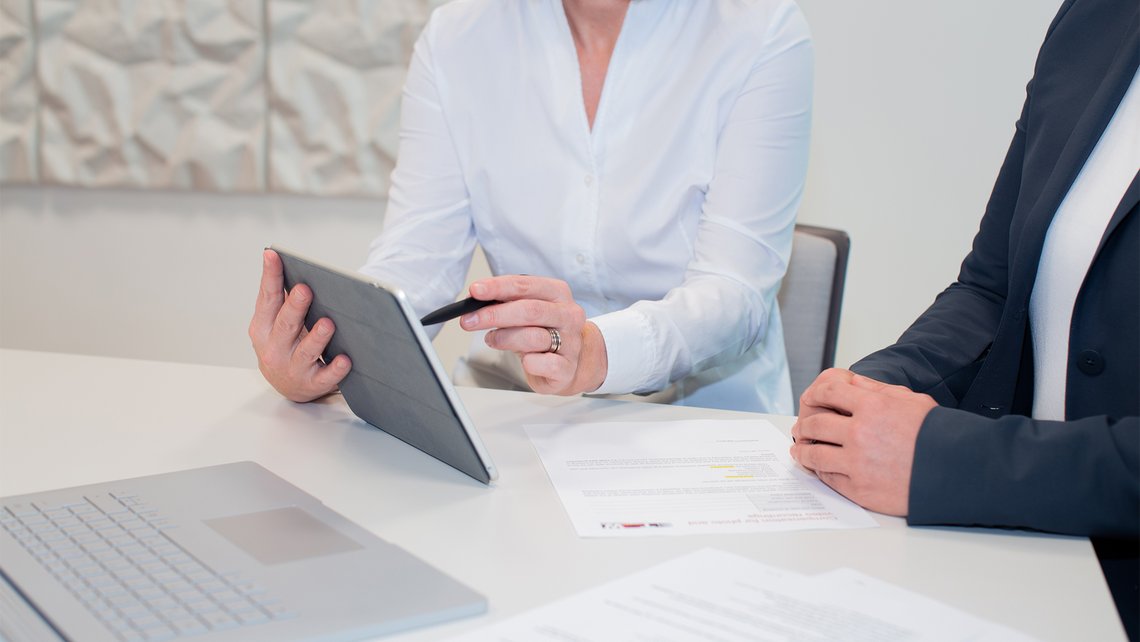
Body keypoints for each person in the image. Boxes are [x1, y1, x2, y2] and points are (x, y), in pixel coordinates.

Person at [250, 0, 814, 413]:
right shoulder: (458, 36)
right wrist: (325, 352)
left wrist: (598, 352)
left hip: (703, 428)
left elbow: (735, 293)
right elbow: (413, 265)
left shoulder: (760, 30)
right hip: (518, 411)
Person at [788, 0, 1137, 635]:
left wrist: (946, 459)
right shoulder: (1097, 18)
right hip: (1031, 564)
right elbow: (994, 288)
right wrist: (874, 390)